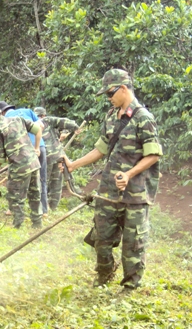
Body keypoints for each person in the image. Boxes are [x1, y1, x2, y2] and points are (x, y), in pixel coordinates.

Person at [63, 69, 163, 290]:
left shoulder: (143, 118)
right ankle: (104, 273)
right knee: (102, 237)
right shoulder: (111, 116)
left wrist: (128, 174)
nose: (108, 98)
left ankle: (130, 286)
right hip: (108, 190)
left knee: (133, 243)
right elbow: (100, 149)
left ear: (123, 88)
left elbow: (153, 155)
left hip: (135, 193)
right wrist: (73, 164)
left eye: (110, 93)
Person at [0, 104, 43, 229]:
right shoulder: (17, 119)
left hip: (19, 167)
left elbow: (0, 157)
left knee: (15, 195)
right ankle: (37, 223)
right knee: (35, 193)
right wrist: (37, 148)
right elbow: (38, 129)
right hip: (34, 162)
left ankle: (18, 224)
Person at [0, 101, 49, 217]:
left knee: (16, 179)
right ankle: (44, 211)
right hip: (40, 147)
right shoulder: (27, 111)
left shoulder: (6, 119)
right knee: (41, 179)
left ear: (1, 113)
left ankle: (13, 209)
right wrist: (37, 146)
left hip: (24, 151)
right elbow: (41, 126)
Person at [33, 107, 82, 210]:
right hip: (57, 156)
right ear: (44, 115)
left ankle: (43, 207)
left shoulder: (34, 123)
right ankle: (52, 207)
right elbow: (65, 122)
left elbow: (63, 126)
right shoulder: (49, 121)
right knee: (56, 182)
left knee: (43, 181)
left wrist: (65, 132)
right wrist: (75, 127)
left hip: (46, 156)